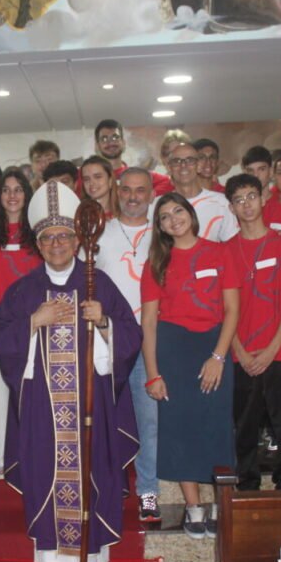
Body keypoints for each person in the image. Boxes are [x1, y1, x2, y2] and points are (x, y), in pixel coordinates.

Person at [0, 180, 139, 562]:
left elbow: (131, 334)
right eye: (48, 237)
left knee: (93, 482)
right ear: (38, 245)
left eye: (64, 236)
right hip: (44, 413)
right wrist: (32, 323)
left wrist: (104, 322)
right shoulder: (23, 292)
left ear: (77, 241)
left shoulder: (99, 283)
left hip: (92, 412)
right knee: (47, 481)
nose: (57, 244)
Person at [142, 192, 240, 539]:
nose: (173, 219)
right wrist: (153, 373)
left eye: (178, 211)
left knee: (215, 426)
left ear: (190, 213)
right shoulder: (157, 261)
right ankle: (194, 508)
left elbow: (232, 310)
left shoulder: (220, 251)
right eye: (165, 216)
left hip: (213, 346)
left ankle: (218, 507)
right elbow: (150, 322)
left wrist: (218, 356)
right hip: (173, 348)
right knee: (180, 428)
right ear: (160, 226)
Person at [225, 174, 281, 491]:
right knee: (244, 426)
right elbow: (223, 310)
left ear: (263, 198)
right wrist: (240, 351)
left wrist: (272, 349)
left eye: (251, 196)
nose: (247, 204)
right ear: (231, 207)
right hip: (240, 353)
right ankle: (246, 483)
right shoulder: (225, 251)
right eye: (239, 199)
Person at [94, 168, 159, 520]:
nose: (134, 196)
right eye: (127, 190)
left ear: (151, 194)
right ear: (118, 193)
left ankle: (148, 492)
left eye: (141, 190)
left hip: (151, 344)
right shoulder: (99, 233)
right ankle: (109, 487)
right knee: (106, 420)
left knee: (149, 422)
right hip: (108, 341)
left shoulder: (162, 233)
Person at [0, 169, 42, 479]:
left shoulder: (39, 232)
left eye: (19, 189)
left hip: (35, 324)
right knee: (1, 394)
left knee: (33, 393)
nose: (12, 195)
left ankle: (33, 455)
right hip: (2, 325)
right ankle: (4, 460)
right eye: (6, 190)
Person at [167, 142, 239, 242]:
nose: (183, 165)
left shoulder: (221, 203)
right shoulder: (159, 205)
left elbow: (233, 245)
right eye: (176, 161)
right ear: (169, 168)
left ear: (199, 166)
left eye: (190, 160)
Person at [94, 119, 174, 194]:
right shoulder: (90, 177)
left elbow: (171, 182)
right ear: (97, 146)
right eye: (104, 139)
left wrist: (145, 197)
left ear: (123, 143)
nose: (110, 142)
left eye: (115, 137)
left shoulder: (136, 175)